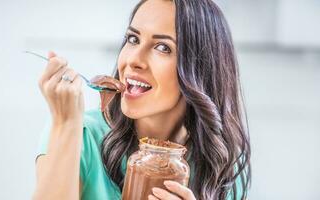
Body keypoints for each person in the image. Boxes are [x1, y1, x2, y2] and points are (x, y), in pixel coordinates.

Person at [32, 0, 251, 199]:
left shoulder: (221, 163)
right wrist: (66, 123)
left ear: (200, 70)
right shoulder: (79, 134)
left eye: (162, 47)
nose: (134, 59)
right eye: (133, 39)